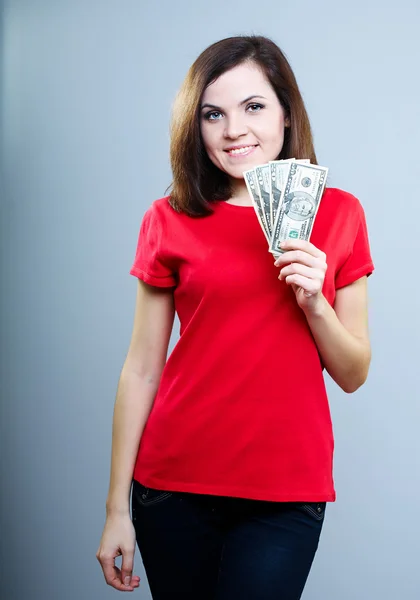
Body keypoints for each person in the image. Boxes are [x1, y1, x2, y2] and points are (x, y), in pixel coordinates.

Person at [96, 35, 374, 600]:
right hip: (172, 484)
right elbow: (141, 370)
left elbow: (353, 372)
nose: (233, 130)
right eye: (213, 114)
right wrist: (115, 509)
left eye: (254, 107)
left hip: (285, 489)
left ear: (286, 112)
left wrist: (314, 301)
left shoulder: (340, 213)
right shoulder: (169, 219)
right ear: (195, 127)